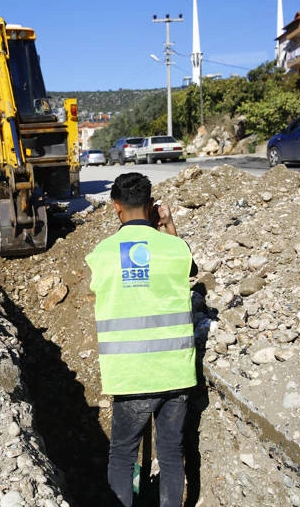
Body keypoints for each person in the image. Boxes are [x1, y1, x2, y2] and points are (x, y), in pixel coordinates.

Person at [85, 172, 197, 507]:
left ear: (115, 207)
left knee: (122, 456)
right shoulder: (175, 249)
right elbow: (189, 270)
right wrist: (169, 227)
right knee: (172, 455)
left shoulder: (102, 254)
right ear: (152, 206)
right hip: (175, 374)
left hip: (131, 375)